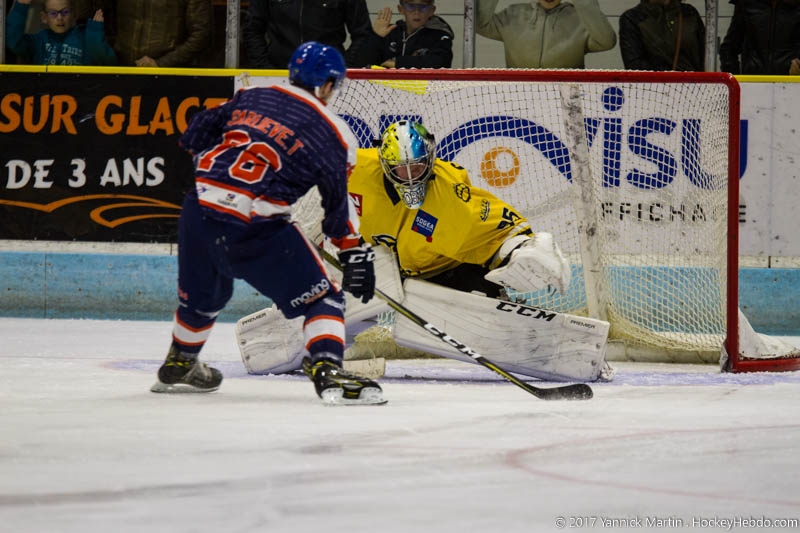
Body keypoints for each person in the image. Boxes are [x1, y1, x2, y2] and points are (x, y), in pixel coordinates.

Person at [235, 121, 612, 384]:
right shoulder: (355, 169)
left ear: (430, 160)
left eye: (418, 167)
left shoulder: (452, 197)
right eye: (401, 168)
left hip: (448, 270)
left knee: (480, 308)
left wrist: (527, 251)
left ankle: (538, 345)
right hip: (384, 261)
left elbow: (505, 230)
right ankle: (324, 345)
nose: (410, 176)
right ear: (384, 163)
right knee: (362, 279)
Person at [150, 42, 386, 406]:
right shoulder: (334, 133)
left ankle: (180, 360)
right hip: (255, 225)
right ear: (326, 85)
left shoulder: (253, 95)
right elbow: (337, 206)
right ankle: (328, 369)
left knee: (204, 299)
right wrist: (354, 253)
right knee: (323, 297)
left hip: (199, 208)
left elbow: (195, 134)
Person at [475, 0, 616, 68]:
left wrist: (584, 3)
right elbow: (479, 24)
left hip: (565, 102)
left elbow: (607, 42)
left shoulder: (580, 18)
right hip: (519, 98)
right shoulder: (513, 14)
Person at [242, 0, 373, 69]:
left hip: (327, 83)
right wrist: (265, 69)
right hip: (279, 76)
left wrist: (342, 68)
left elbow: (363, 34)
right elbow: (252, 29)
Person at [5, 0, 117, 65]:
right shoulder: (38, 41)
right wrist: (21, 7)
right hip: (44, 97)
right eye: (53, 13)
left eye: (65, 12)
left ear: (74, 15)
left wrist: (94, 33)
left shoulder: (85, 38)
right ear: (44, 17)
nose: (59, 18)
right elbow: (13, 41)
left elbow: (108, 61)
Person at [108, 0, 213, 67]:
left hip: (170, 77)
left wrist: (161, 63)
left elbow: (201, 34)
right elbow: (105, 20)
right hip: (120, 71)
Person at [356, 0, 454, 68]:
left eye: (423, 7)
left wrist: (397, 63)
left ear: (431, 11)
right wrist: (376, 37)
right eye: (411, 6)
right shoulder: (390, 32)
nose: (416, 12)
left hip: (423, 94)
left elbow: (441, 62)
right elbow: (360, 64)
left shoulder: (439, 35)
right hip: (386, 92)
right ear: (401, 9)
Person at [618, 0, 706, 71]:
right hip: (654, 88)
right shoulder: (633, 18)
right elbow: (634, 64)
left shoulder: (689, 12)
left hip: (694, 87)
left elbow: (703, 53)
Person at [718, 0, 800, 75]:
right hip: (753, 84)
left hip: (792, 84)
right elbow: (729, 49)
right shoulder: (747, 4)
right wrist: (737, 82)